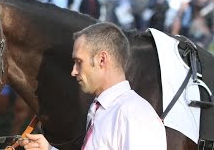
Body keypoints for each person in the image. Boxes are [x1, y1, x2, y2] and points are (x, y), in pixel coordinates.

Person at [19, 22, 167, 150]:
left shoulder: (135, 115)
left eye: (79, 62)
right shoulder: (100, 109)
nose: (73, 71)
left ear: (102, 60)